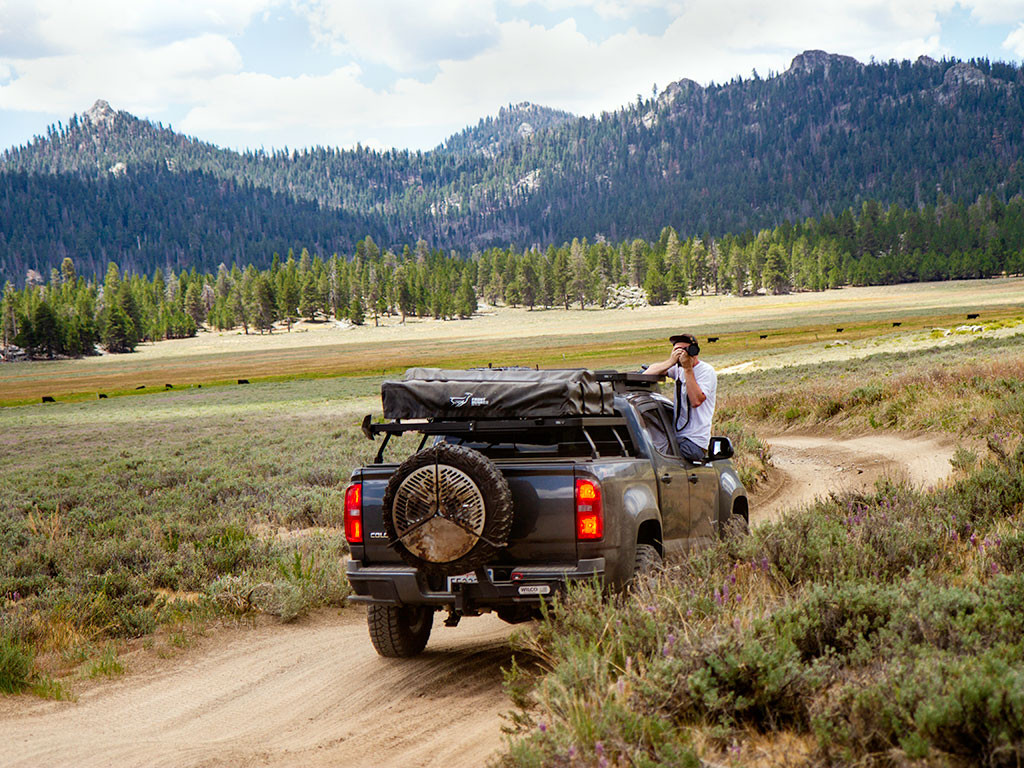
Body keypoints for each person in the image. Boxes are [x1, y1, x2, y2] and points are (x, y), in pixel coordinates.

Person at [645, 333, 717, 463]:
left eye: (684, 350)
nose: (681, 354)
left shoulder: (706, 371)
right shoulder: (677, 369)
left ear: (694, 351)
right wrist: (670, 361)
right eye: (677, 350)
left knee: (662, 455)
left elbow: (696, 401)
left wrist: (688, 369)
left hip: (694, 442)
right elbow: (647, 373)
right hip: (677, 436)